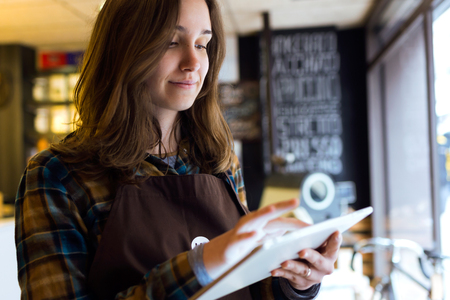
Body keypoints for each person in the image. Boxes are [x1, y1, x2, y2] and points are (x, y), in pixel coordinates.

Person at [15, 0, 342, 299]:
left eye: (202, 44)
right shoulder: (57, 176)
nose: (193, 62)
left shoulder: (220, 160)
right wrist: (203, 263)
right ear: (124, 47)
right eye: (172, 42)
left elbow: (247, 285)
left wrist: (296, 280)